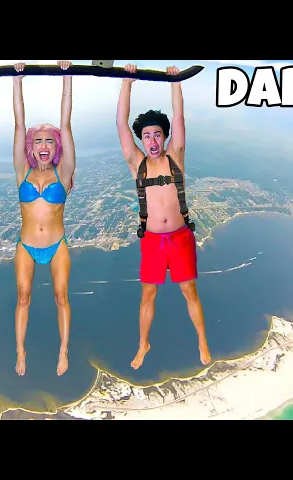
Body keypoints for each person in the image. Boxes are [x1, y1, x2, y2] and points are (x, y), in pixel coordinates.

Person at [116, 63, 212, 370]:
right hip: (152, 240)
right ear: (142, 140)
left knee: (189, 291)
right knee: (148, 295)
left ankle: (202, 339)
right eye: (147, 136)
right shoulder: (137, 164)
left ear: (165, 137)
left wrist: (175, 82)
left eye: (157, 134)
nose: (153, 140)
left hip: (181, 237)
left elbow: (179, 115)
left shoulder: (175, 156)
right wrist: (127, 82)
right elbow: (121, 124)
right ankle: (143, 343)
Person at [12, 60, 76, 377]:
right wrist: (17, 79)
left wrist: (67, 76)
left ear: (56, 146)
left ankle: (63, 351)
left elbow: (66, 123)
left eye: (49, 140)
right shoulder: (22, 171)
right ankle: (20, 352)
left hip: (56, 244)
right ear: (31, 147)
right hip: (26, 245)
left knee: (61, 297)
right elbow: (18, 123)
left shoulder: (63, 173)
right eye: (38, 141)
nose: (43, 145)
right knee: (23, 297)